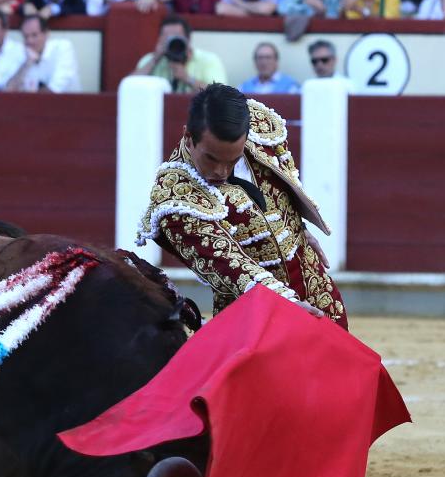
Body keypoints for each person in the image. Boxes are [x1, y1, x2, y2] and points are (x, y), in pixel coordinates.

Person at [136, 83, 347, 327]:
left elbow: (281, 184)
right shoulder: (176, 197)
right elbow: (229, 265)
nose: (221, 172)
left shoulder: (257, 128)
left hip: (316, 287)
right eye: (211, 158)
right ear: (188, 137)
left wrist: (299, 226)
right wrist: (283, 302)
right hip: (255, 316)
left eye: (232, 161)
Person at [132, 15, 227, 92]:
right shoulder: (150, 60)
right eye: (167, 38)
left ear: (188, 39)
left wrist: (188, 78)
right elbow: (129, 87)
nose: (172, 43)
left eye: (176, 38)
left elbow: (222, 96)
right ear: (160, 39)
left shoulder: (208, 60)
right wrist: (154, 60)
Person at [6, 14, 82, 92]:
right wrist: (26, 65)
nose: (29, 41)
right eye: (26, 36)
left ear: (46, 34)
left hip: (69, 103)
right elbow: (9, 92)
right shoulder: (23, 54)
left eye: (34, 35)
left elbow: (55, 90)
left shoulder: (63, 47)